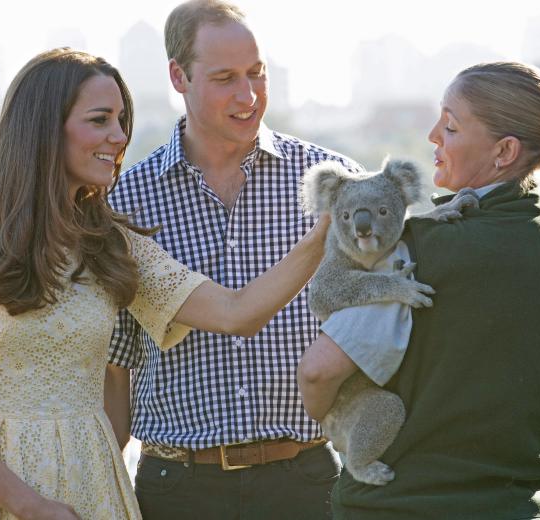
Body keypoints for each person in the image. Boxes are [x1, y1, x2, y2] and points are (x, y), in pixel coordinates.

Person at [0, 47, 331, 520]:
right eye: (100, 120)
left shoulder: (111, 243)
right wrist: (32, 507)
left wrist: (329, 229)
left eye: (122, 120)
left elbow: (234, 313)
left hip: (96, 490)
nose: (119, 137)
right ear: (43, 128)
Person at [298, 61, 540, 519]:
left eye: (452, 127)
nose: (433, 136)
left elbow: (318, 373)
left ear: (504, 152)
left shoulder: (416, 251)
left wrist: (339, 427)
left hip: (402, 506)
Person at [105, 1, 362, 518]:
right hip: (177, 489)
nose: (248, 96)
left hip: (310, 481)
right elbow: (115, 370)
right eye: (224, 78)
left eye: (256, 73)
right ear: (179, 76)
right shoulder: (126, 204)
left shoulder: (333, 182)